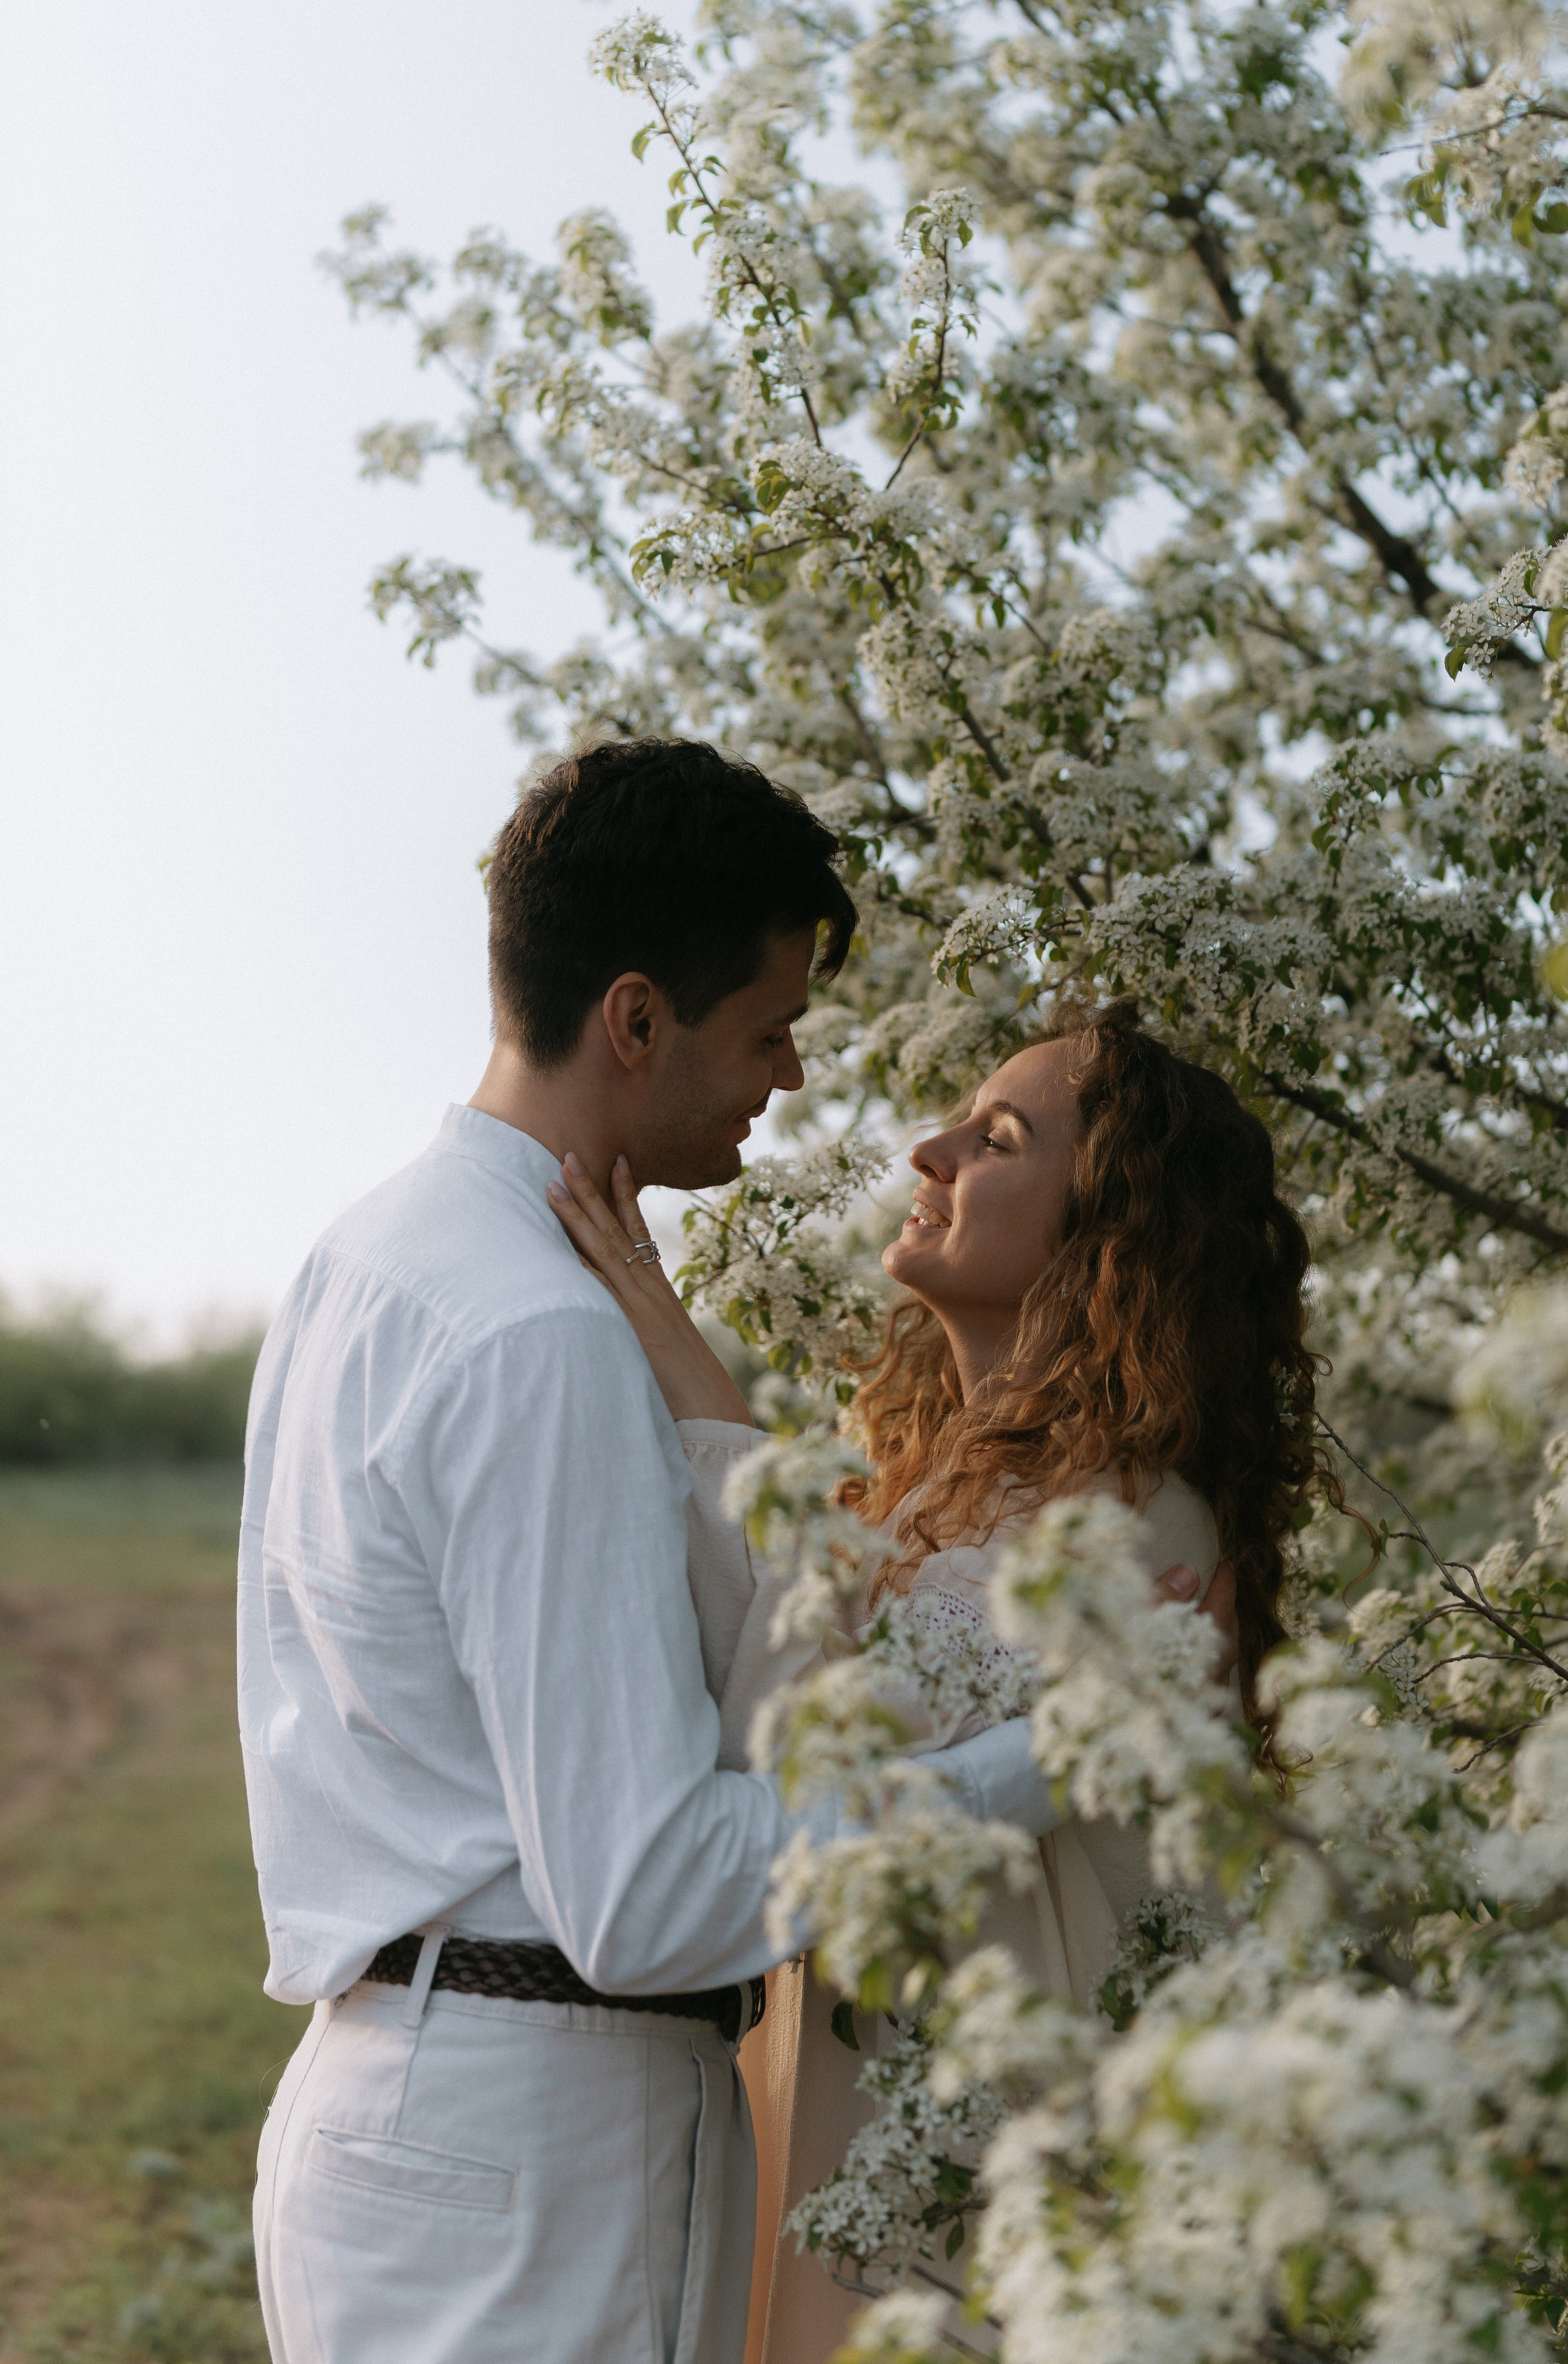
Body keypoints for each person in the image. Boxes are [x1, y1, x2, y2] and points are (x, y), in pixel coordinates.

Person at [239, 739, 1063, 2364]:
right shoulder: (535, 1338)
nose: (793, 1078)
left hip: (436, 2111)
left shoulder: (372, 1255)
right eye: (768, 1030)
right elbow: (642, 1891)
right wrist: (1040, 1763)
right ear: (634, 1018)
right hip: (532, 2155)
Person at [547, 1002, 1328, 2364]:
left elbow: (795, 1771)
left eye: (999, 1138)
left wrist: (689, 1371)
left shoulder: (1128, 1528)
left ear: (1110, 1236)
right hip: (887, 2160)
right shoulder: (927, 1503)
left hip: (1024, 2218)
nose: (929, 1148)